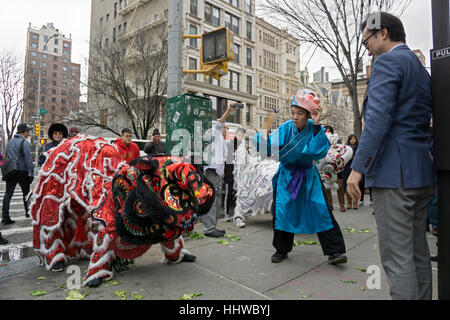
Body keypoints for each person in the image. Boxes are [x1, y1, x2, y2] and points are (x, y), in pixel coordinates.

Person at [347, 12, 435, 300]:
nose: (367, 49)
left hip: (393, 175)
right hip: (421, 172)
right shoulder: (420, 68)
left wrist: (357, 169)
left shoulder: (387, 62)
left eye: (366, 41)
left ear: (382, 32)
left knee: (398, 260)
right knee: (418, 254)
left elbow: (377, 121)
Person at [254, 89, 347, 265]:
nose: (295, 117)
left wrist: (317, 123)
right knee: (282, 210)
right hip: (287, 176)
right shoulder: (285, 128)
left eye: (300, 114)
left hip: (308, 175)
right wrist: (265, 130)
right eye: (293, 113)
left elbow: (317, 152)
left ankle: (335, 251)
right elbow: (268, 149)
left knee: (322, 209)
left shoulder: (314, 128)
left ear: (308, 115)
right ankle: (281, 249)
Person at [202, 103, 241, 238]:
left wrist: (223, 170)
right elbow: (219, 122)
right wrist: (229, 110)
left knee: (217, 200)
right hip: (211, 172)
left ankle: (212, 226)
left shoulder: (223, 142)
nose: (225, 130)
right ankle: (208, 228)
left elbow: (222, 158)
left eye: (227, 129)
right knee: (211, 200)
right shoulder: (215, 134)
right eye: (224, 128)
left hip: (217, 173)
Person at [2, 123, 34, 224]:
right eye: (27, 131)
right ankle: (28, 212)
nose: (28, 133)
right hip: (22, 171)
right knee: (26, 193)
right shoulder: (24, 142)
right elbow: (28, 160)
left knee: (8, 193)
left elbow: (7, 156)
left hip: (11, 170)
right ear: (22, 132)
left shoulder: (10, 142)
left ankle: (5, 217)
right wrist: (31, 174)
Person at [323, 126, 347, 212]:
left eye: (329, 131)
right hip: (326, 167)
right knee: (327, 187)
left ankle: (342, 205)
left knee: (339, 186)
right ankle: (330, 205)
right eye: (326, 131)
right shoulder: (322, 141)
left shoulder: (338, 142)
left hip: (336, 166)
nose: (328, 133)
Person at [223, 128, 245, 222]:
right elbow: (225, 159)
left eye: (242, 135)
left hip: (240, 174)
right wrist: (224, 171)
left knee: (239, 194)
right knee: (229, 193)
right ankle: (226, 213)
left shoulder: (243, 146)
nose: (240, 137)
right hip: (230, 172)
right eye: (239, 135)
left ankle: (238, 213)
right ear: (236, 135)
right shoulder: (229, 145)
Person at [342, 134, 359, 209]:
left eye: (354, 139)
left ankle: (355, 202)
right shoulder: (346, 148)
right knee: (347, 184)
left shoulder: (359, 147)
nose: (353, 140)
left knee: (355, 184)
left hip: (355, 168)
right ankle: (349, 202)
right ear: (349, 140)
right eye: (351, 139)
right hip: (347, 168)